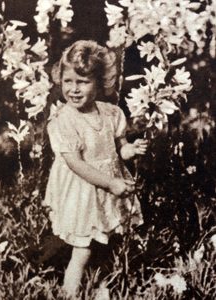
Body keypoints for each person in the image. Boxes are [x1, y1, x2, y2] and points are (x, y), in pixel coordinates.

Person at [44, 40, 148, 297]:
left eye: (83, 82)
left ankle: (103, 284)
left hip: (106, 188)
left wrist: (130, 151)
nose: (74, 89)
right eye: (68, 81)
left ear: (100, 83)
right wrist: (112, 183)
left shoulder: (111, 113)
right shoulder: (64, 120)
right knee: (83, 248)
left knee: (107, 240)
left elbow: (118, 148)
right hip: (82, 191)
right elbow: (76, 164)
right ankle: (69, 292)